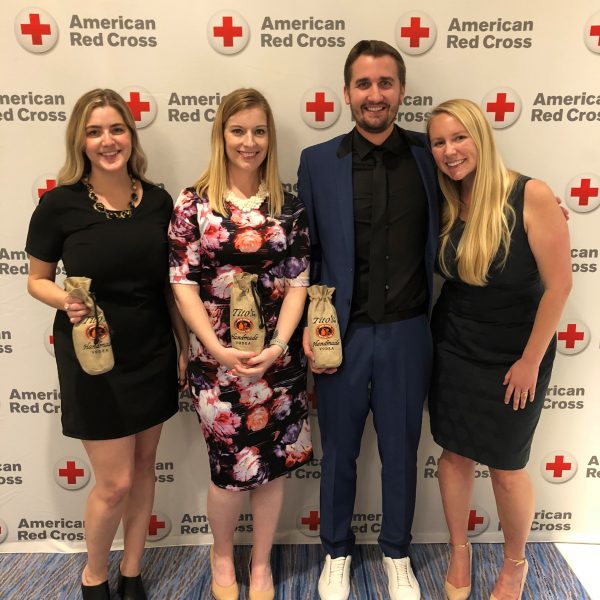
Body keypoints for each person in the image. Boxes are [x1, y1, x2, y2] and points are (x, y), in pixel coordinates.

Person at [25, 89, 188, 600]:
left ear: (130, 135)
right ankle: (94, 575)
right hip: (93, 356)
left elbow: (168, 284)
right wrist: (62, 301)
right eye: (94, 131)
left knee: (144, 469)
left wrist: (182, 347)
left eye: (116, 129)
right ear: (81, 140)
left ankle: (133, 571)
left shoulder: (158, 200)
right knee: (114, 482)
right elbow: (36, 279)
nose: (107, 140)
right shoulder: (59, 203)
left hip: (152, 350)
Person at [298, 40, 441, 600]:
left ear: (401, 90)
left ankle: (397, 553)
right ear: (347, 93)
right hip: (340, 334)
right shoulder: (317, 162)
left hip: (409, 333)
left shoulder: (430, 157)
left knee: (403, 449)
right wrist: (311, 325)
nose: (375, 94)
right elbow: (305, 254)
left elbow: (478, 203)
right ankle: (335, 551)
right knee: (339, 450)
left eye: (386, 83)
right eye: (364, 84)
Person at [168, 88, 312, 600]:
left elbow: (298, 283)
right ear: (221, 135)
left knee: (270, 468)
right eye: (238, 131)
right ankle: (223, 555)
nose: (248, 142)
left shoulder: (288, 204)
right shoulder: (193, 203)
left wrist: (278, 346)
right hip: (218, 364)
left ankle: (262, 564)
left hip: (277, 364)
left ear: (269, 136)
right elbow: (182, 283)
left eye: (258, 131)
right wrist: (216, 348)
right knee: (229, 474)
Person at [426, 99, 571, 600]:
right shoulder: (445, 199)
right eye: (439, 142)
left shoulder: (531, 194)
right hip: (454, 345)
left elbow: (558, 288)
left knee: (507, 466)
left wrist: (530, 361)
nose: (450, 151)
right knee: (454, 454)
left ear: (481, 137)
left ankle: (515, 564)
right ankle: (459, 550)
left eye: (459, 137)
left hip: (516, 353)